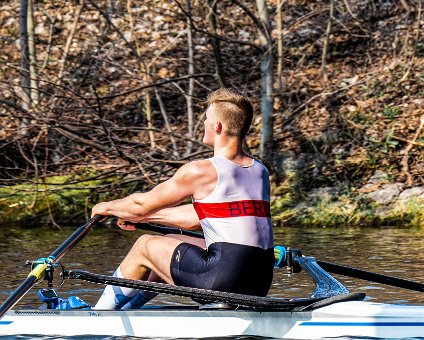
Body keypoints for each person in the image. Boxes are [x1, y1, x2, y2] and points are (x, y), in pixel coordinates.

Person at [91, 88, 274, 310]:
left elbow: (141, 205)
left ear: (217, 126)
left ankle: (99, 314)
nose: (204, 124)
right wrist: (142, 218)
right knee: (171, 241)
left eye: (206, 119)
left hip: (223, 281)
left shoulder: (201, 171)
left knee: (144, 246)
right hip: (259, 280)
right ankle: (129, 309)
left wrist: (108, 207)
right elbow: (199, 217)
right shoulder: (258, 171)